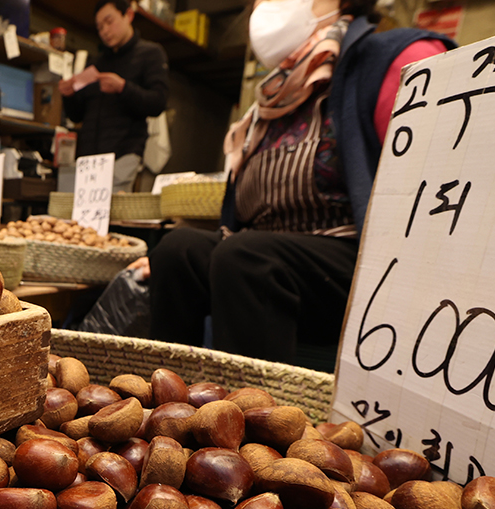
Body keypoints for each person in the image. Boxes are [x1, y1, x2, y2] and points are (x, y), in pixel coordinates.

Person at [136, 0, 452, 365]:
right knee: (178, 250)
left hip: (353, 264)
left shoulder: (396, 58)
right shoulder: (274, 95)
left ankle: (254, 415)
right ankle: (168, 402)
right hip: (260, 258)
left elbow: (433, 192)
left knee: (245, 256)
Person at [59, 0, 170, 193]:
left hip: (123, 156)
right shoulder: (96, 63)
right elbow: (77, 116)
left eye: (109, 22)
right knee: (80, 220)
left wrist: (123, 87)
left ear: (128, 15)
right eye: (99, 27)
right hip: (88, 161)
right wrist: (68, 96)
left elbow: (158, 102)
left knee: (111, 217)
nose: (104, 31)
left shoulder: (151, 54)